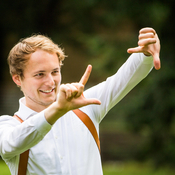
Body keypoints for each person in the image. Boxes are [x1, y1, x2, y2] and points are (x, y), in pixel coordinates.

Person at [0, 27, 160, 175]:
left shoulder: (84, 107)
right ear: (17, 79)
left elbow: (123, 79)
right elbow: (10, 144)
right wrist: (57, 110)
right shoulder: (8, 126)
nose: (50, 82)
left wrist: (145, 54)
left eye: (55, 72)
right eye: (39, 74)